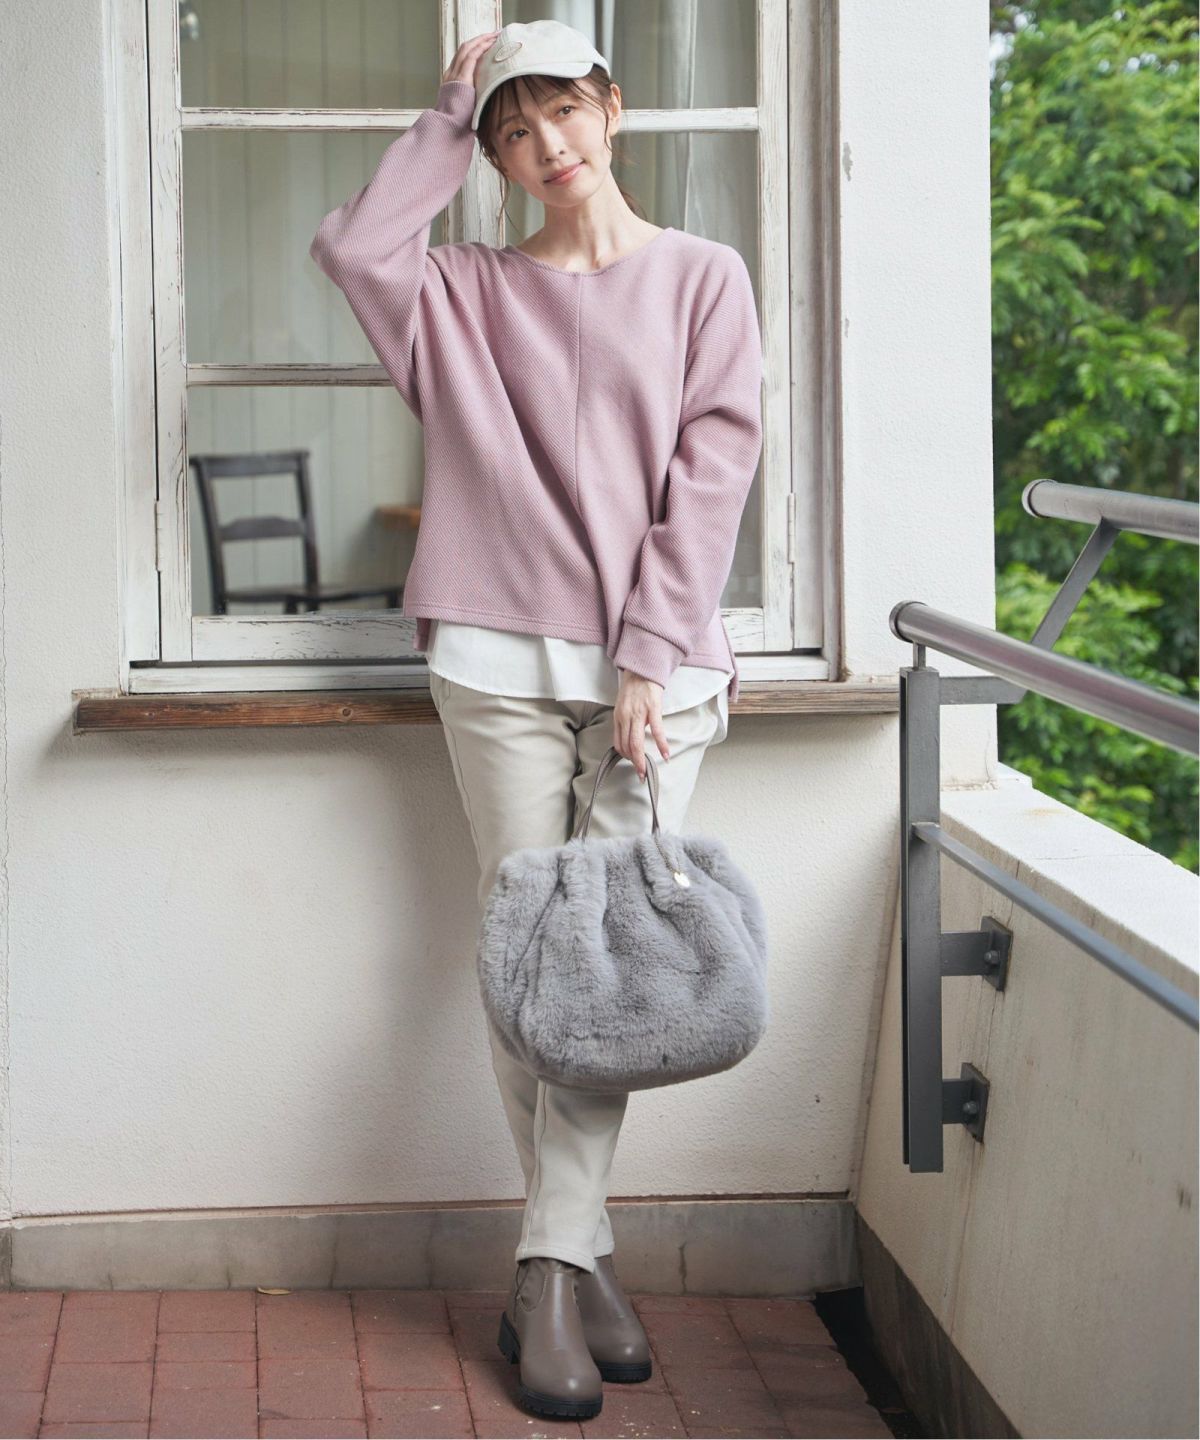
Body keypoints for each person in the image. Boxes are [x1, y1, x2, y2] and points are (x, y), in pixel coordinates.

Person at [309, 18, 763, 1422]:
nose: (543, 145)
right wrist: (448, 115)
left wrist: (648, 654)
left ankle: (547, 1271)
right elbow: (355, 248)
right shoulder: (457, 292)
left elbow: (712, 475)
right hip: (495, 661)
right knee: (530, 962)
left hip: (655, 680)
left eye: (560, 112)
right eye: (513, 131)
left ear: (611, 108)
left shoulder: (703, 277)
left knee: (606, 964)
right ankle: (577, 1264)